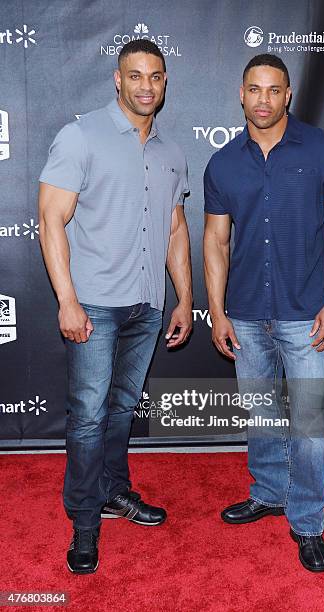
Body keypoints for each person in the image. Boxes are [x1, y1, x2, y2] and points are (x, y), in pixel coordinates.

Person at [38, 40, 192, 574]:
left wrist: (184, 297)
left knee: (122, 410)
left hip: (148, 305)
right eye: (135, 75)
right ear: (117, 79)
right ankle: (84, 522)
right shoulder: (81, 136)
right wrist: (67, 301)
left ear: (165, 81)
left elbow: (175, 228)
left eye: (155, 76)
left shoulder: (172, 153)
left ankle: (113, 491)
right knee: (86, 418)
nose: (145, 85)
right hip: (95, 306)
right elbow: (50, 218)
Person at [203, 54, 324, 572]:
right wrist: (218, 311)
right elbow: (215, 242)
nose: (264, 99)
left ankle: (309, 521)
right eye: (255, 89)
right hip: (246, 314)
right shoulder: (223, 163)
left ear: (288, 94)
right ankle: (269, 492)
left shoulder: (322, 151)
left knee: (312, 424)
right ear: (241, 94)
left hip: (307, 315)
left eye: (274, 90)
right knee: (263, 416)